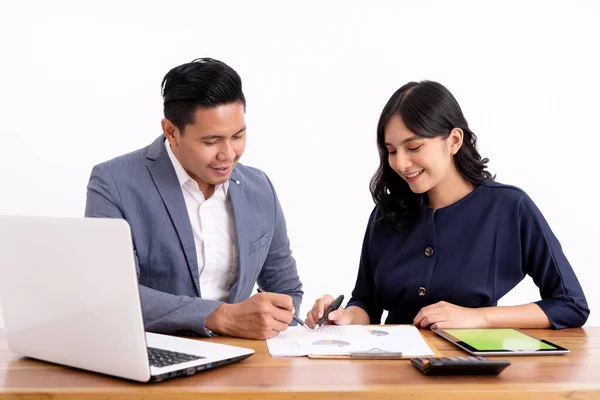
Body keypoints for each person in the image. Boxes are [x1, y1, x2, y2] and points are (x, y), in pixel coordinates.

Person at [306, 81, 589, 330]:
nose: (400, 163)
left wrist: (479, 318)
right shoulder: (386, 212)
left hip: (472, 373)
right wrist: (345, 317)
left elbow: (570, 304)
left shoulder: (509, 208)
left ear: (453, 140)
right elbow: (366, 301)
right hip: (391, 374)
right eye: (391, 151)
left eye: (414, 147)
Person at [85, 58, 303, 339]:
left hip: (242, 357)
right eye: (211, 142)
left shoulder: (259, 187)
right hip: (153, 353)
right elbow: (110, 293)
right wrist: (219, 317)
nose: (228, 154)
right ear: (171, 131)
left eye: (238, 136)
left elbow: (286, 289)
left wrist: (278, 314)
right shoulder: (114, 182)